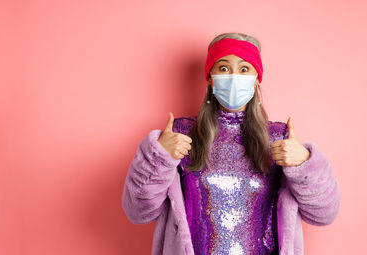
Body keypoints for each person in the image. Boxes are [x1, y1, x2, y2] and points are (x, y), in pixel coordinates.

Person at [122, 32, 340, 255]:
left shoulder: (278, 138)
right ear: (210, 77)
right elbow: (138, 212)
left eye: (244, 69)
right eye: (224, 68)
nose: (234, 77)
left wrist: (303, 163)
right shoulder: (181, 135)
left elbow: (324, 214)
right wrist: (159, 157)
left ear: (256, 80)